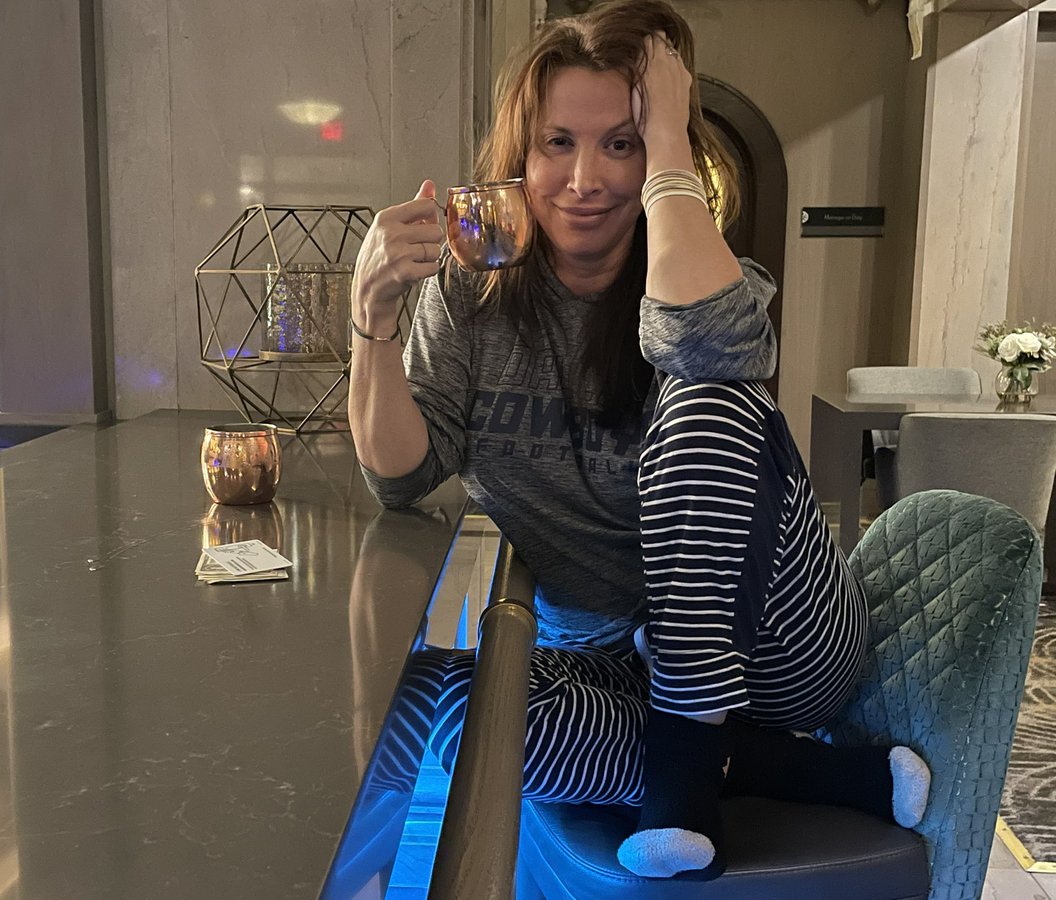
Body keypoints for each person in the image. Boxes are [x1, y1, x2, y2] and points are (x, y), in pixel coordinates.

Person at [348, 0, 930, 881]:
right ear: (519, 156)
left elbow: (708, 349)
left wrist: (670, 141)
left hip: (782, 646)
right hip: (617, 660)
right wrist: (374, 315)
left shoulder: (710, 280)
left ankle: (687, 786)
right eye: (557, 143)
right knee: (448, 709)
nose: (584, 179)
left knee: (709, 395)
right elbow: (401, 475)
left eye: (621, 143)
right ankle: (769, 768)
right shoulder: (471, 300)